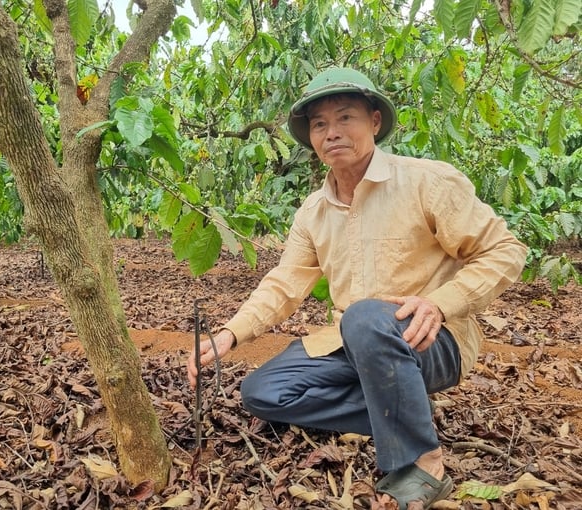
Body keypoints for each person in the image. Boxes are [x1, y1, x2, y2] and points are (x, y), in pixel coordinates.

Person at [187, 67, 527, 510]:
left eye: (345, 117)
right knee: (262, 393)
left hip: (430, 339)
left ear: (374, 122)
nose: (332, 133)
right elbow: (286, 281)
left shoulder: (427, 181)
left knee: (366, 316)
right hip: (354, 341)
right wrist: (231, 332)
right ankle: (404, 414)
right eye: (320, 124)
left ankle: (424, 463)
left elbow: (505, 250)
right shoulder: (313, 210)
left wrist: (440, 304)